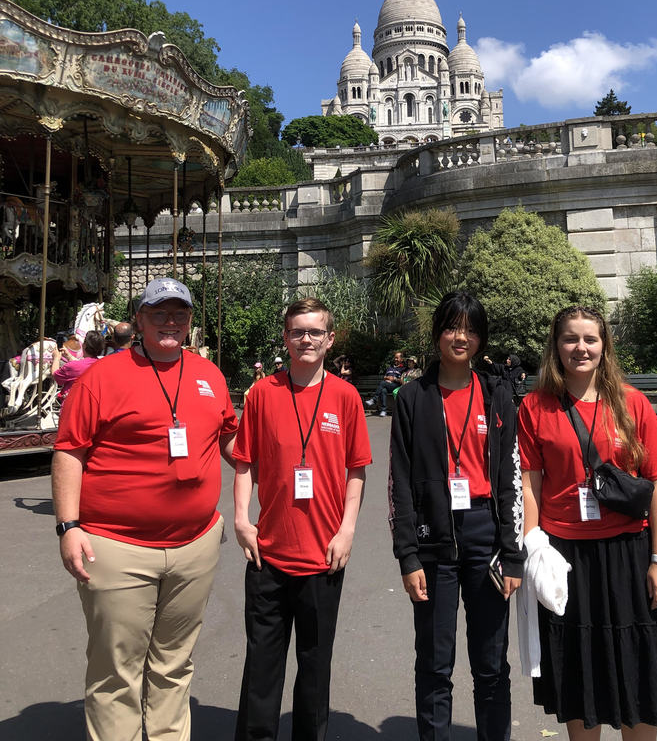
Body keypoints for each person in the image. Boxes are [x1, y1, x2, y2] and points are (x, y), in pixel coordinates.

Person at [52, 277, 239, 741]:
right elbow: (69, 452)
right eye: (159, 313)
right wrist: (68, 526)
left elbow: (231, 440)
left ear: (191, 321)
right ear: (139, 319)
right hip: (117, 546)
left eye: (179, 313)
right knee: (117, 670)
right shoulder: (102, 377)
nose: (170, 321)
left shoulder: (207, 374)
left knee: (174, 664)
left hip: (195, 546)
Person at [517, 305, 657, 740]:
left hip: (629, 553)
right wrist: (533, 551)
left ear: (604, 346)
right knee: (581, 672)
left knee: (640, 668)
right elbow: (529, 486)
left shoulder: (632, 402)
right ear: (555, 346)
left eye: (590, 339)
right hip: (566, 558)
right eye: (570, 339)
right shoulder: (535, 406)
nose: (580, 348)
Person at [233, 297, 372, 741]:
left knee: (315, 667)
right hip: (268, 554)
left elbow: (356, 470)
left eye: (314, 331)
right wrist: (240, 518)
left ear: (330, 340)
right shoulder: (262, 394)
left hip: (324, 555)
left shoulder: (346, 397)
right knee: (261, 668)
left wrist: (347, 530)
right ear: (286, 338)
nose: (305, 338)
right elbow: (244, 462)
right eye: (297, 331)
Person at [388, 291, 525, 741]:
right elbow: (400, 483)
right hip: (434, 539)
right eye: (451, 326)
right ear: (437, 334)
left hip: (486, 534)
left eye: (469, 329)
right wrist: (407, 557)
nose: (460, 336)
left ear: (481, 338)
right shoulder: (411, 398)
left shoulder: (497, 393)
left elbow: (511, 475)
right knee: (433, 661)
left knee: (491, 663)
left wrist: (513, 553)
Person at [51, 329, 104, 401]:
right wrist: (68, 356)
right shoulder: (102, 364)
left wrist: (56, 358)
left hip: (73, 405)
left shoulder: (73, 366)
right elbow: (83, 365)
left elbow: (56, 376)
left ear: (84, 345)